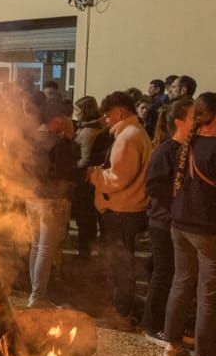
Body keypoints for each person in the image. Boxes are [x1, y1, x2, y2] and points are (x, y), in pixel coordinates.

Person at [154, 92, 216, 356]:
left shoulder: (187, 143)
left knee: (181, 283)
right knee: (209, 294)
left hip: (181, 225)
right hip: (210, 230)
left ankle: (172, 344)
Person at [87, 91, 151, 326]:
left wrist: (94, 175)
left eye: (107, 115)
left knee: (120, 264)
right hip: (128, 208)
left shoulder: (128, 137)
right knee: (121, 262)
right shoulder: (135, 133)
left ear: (119, 112)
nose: (106, 120)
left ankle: (121, 313)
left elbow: (117, 178)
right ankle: (121, 309)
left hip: (122, 210)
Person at [141, 98, 194, 340]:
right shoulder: (165, 150)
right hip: (163, 223)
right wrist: (178, 202)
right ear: (179, 121)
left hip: (180, 222)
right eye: (195, 117)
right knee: (164, 273)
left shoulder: (188, 149)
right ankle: (153, 324)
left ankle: (171, 322)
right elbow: (153, 186)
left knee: (177, 275)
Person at [26, 112, 80, 307]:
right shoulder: (58, 144)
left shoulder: (31, 139)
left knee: (36, 246)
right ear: (57, 120)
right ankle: (38, 296)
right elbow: (64, 172)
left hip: (32, 197)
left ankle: (35, 292)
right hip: (53, 200)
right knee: (46, 249)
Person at [69, 97, 108, 259]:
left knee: (84, 218)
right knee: (88, 218)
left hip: (84, 181)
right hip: (89, 180)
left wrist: (70, 167)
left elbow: (84, 159)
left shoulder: (87, 132)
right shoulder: (93, 128)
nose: (75, 113)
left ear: (85, 111)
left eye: (77, 110)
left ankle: (84, 252)